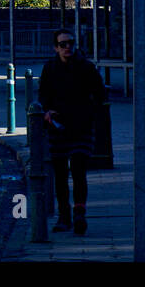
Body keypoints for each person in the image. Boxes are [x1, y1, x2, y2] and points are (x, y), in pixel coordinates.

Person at [39, 28, 107, 235]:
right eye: (63, 44)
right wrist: (47, 111)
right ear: (55, 47)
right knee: (59, 175)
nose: (67, 47)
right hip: (58, 128)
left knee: (78, 171)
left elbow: (100, 93)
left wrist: (89, 110)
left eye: (70, 43)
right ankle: (64, 216)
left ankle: (79, 214)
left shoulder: (86, 67)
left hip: (81, 126)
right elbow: (43, 95)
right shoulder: (50, 68)